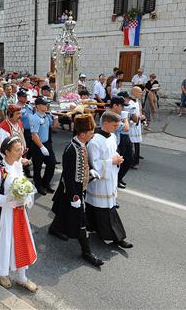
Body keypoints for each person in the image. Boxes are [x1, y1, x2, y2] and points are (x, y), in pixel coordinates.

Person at [49, 114, 104, 267]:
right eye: (91, 132)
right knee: (81, 221)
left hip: (79, 187)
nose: (93, 134)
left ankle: (54, 228)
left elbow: (83, 165)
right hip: (73, 191)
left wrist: (90, 171)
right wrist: (75, 197)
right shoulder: (71, 150)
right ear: (82, 134)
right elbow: (68, 176)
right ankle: (87, 252)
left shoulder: (82, 145)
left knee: (63, 210)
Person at [0, 137, 38, 292]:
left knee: (22, 242)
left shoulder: (17, 165)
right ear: (6, 151)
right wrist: (11, 200)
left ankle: (22, 277)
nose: (20, 152)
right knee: (5, 243)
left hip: (20, 212)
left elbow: (22, 183)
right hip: (5, 214)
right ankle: (0, 272)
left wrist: (26, 196)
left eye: (21, 149)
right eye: (17, 150)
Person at [86, 112, 132, 248]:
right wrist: (112, 161)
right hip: (100, 182)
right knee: (105, 209)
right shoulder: (94, 141)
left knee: (105, 207)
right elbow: (94, 164)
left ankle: (96, 229)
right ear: (105, 123)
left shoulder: (112, 136)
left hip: (110, 177)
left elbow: (113, 152)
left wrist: (117, 158)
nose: (117, 128)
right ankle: (118, 238)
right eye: (115, 125)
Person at [29, 97, 57, 195]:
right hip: (37, 145)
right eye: (44, 104)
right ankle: (38, 185)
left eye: (46, 104)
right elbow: (34, 135)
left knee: (52, 163)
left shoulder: (47, 116)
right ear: (37, 106)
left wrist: (56, 118)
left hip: (47, 143)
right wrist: (41, 147)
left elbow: (53, 127)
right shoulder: (34, 118)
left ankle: (45, 183)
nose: (46, 106)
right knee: (37, 167)